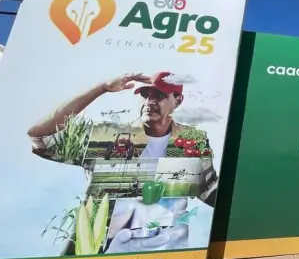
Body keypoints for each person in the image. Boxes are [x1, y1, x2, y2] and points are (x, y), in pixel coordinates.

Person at [27, 71, 218, 206]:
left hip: (168, 246)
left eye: (159, 95)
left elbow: (208, 190)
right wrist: (101, 88)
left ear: (177, 101)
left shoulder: (192, 140)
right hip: (98, 250)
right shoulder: (105, 137)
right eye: (145, 94)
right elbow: (40, 136)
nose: (149, 102)